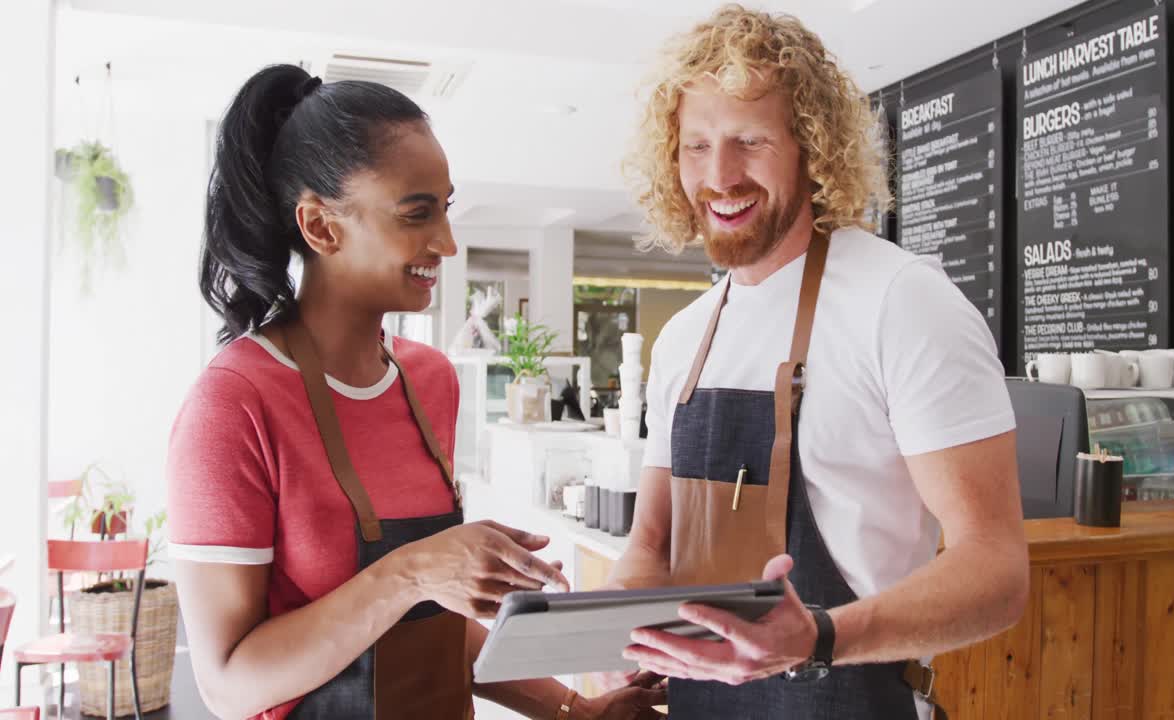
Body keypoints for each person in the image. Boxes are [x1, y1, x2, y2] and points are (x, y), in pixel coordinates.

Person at [167, 64, 665, 720]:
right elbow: (230, 684)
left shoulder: (430, 380)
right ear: (320, 227)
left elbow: (434, 627)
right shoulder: (233, 404)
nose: (447, 242)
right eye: (416, 214)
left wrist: (576, 710)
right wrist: (414, 571)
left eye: (445, 209)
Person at [605, 6, 1029, 719]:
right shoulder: (684, 337)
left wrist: (818, 638)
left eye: (749, 140)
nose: (720, 175)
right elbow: (650, 549)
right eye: (696, 144)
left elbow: (996, 569)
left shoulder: (902, 302)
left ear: (811, 145)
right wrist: (594, 639)